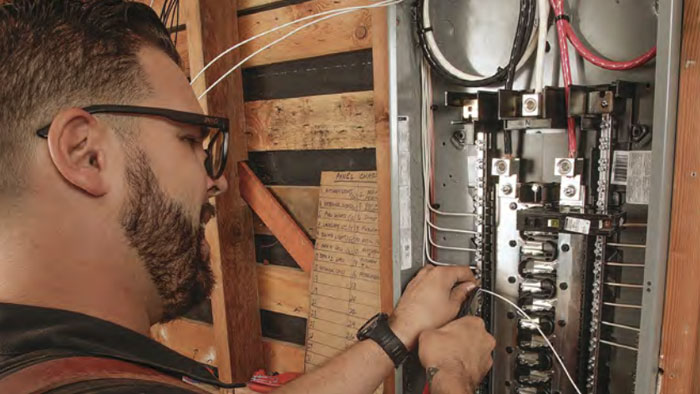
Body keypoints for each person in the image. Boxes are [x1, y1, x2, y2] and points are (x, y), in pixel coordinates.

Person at [0, 1, 495, 393]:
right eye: (190, 140)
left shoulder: (45, 354)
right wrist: (453, 374)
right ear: (86, 155)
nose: (215, 182)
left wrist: (399, 331)